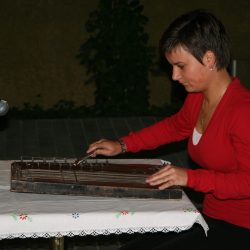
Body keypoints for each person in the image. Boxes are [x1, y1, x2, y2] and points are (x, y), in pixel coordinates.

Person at [86, 9, 250, 249]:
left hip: (243, 226)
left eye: (180, 66)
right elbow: (174, 127)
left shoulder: (242, 112)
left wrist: (189, 177)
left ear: (209, 58)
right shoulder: (198, 98)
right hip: (212, 217)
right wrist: (121, 144)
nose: (174, 76)